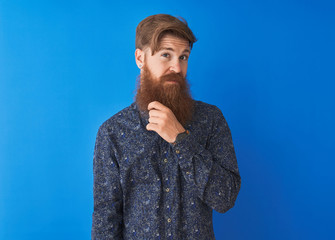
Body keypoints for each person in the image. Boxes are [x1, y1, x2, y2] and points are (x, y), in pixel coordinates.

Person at [92, 14, 241, 240]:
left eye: (183, 57)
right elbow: (106, 222)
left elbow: (225, 198)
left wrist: (181, 139)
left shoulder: (211, 119)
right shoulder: (112, 133)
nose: (177, 67)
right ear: (140, 59)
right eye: (165, 55)